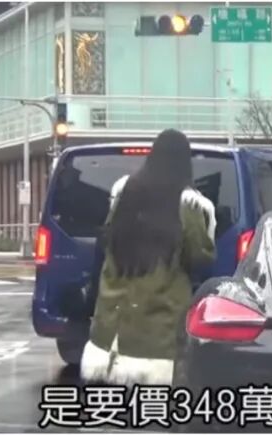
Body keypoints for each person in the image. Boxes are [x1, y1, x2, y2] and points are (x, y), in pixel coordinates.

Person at [80, 129, 216, 386]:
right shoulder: (189, 206)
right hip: (157, 343)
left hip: (108, 337)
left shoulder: (124, 195)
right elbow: (202, 261)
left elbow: (103, 246)